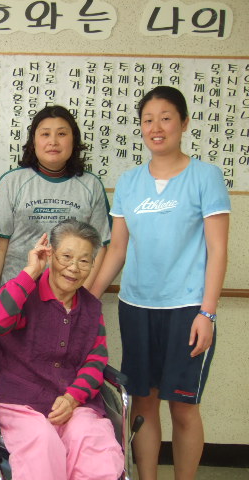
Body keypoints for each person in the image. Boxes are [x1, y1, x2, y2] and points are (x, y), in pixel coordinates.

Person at [89, 86, 230, 480]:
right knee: (143, 403)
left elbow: (218, 250)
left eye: (166, 118)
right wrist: (88, 299)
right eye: (148, 120)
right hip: (137, 308)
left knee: (183, 407)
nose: (156, 127)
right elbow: (117, 250)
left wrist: (207, 312)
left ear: (183, 123)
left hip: (188, 310)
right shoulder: (129, 182)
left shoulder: (206, 176)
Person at [0, 219, 124, 480]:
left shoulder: (91, 308)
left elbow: (95, 362)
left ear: (92, 265)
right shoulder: (25, 292)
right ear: (50, 255)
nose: (74, 268)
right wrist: (30, 272)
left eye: (84, 261)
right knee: (42, 443)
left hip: (73, 402)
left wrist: (72, 398)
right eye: (66, 257)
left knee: (94, 443)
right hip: (20, 401)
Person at [0, 105, 110, 293]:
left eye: (62, 134)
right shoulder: (11, 182)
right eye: (45, 134)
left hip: (68, 298)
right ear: (33, 141)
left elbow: (99, 247)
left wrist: (83, 299)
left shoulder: (91, 185)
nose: (53, 141)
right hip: (16, 295)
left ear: (74, 140)